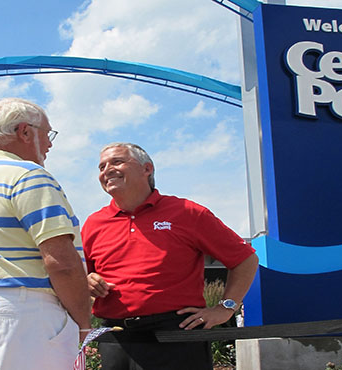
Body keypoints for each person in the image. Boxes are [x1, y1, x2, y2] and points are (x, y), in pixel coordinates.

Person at [82, 142, 259, 370]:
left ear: (147, 169)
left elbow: (245, 259)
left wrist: (225, 308)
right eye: (101, 166)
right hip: (117, 338)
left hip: (177, 334)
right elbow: (81, 275)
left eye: (117, 162)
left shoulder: (188, 212)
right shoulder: (93, 223)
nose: (106, 170)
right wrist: (88, 281)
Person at [0, 98, 91, 370]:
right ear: (25, 132)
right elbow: (61, 262)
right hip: (22, 314)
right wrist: (84, 324)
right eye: (47, 134)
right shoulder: (29, 176)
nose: (49, 144)